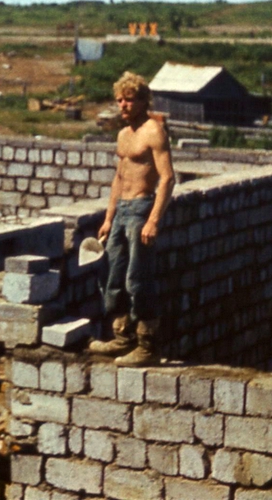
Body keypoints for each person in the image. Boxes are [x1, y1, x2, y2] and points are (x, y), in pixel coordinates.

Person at [89, 71, 175, 366]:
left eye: (129, 100)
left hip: (141, 209)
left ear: (143, 101)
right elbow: (119, 177)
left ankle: (148, 346)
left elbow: (167, 178)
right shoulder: (123, 135)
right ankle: (122, 337)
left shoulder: (154, 131)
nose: (123, 105)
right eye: (119, 100)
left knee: (138, 279)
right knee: (112, 277)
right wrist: (108, 217)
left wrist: (153, 220)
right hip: (122, 211)